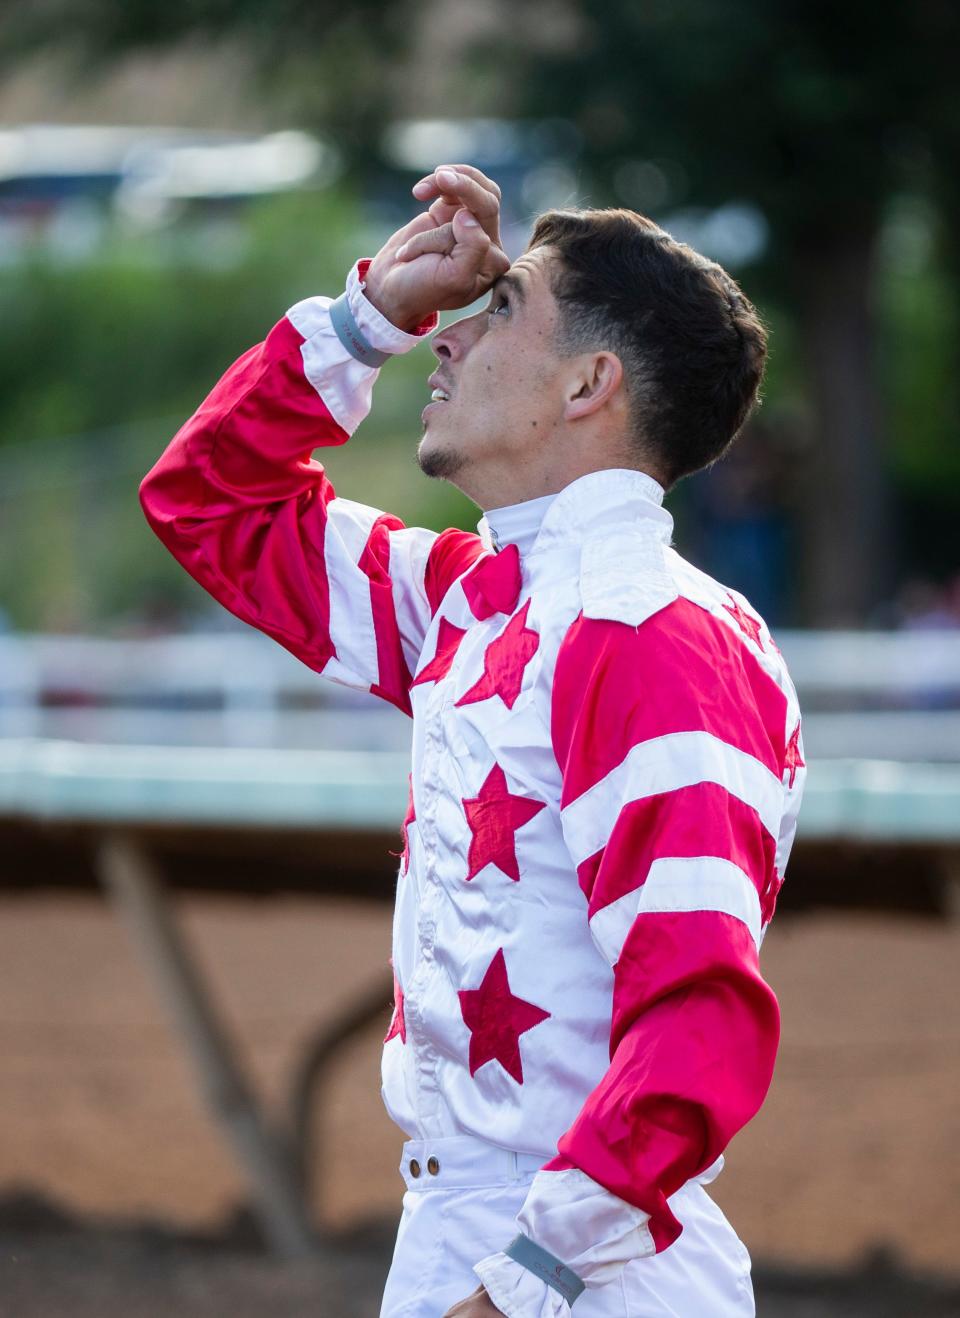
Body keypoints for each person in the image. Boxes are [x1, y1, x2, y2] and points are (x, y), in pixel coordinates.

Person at [140, 164, 805, 1317]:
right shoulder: (476, 597)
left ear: (592, 382)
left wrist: (527, 1280)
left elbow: (699, 1013)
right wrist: (365, 317)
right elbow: (209, 502)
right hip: (471, 1236)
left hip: (586, 1265)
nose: (443, 338)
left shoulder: (649, 629)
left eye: (501, 309)